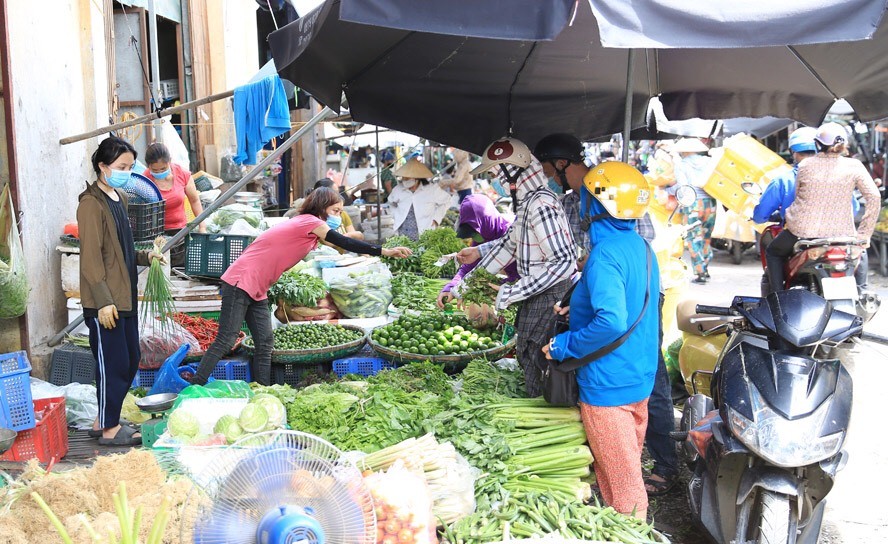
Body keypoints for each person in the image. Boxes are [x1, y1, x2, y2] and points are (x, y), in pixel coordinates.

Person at [535, 133, 677, 496]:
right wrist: (578, 301)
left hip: (608, 388)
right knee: (621, 473)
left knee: (626, 489)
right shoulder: (640, 247)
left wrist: (564, 344)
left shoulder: (604, 254)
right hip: (638, 379)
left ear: (593, 205)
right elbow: (633, 304)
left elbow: (612, 321)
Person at [192, 187, 412, 385]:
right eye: (335, 211)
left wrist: (366, 246)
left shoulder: (308, 227)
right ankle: (195, 385)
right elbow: (344, 241)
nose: (338, 216)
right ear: (322, 208)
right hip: (241, 281)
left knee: (265, 342)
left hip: (258, 287)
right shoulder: (310, 222)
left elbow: (340, 241)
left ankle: (262, 389)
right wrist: (384, 251)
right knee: (226, 339)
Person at [453, 137, 577, 397]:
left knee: (536, 360)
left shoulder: (541, 205)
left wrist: (510, 292)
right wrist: (467, 284)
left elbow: (564, 263)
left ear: (515, 172)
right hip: (538, 294)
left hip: (550, 298)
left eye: (497, 172)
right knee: (529, 358)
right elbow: (509, 246)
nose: (495, 180)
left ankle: (541, 415)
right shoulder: (528, 203)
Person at [78, 136, 163, 446]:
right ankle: (109, 429)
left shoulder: (120, 198)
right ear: (103, 166)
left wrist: (145, 256)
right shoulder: (90, 205)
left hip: (124, 297)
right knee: (111, 364)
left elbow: (121, 250)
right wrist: (102, 302)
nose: (127, 172)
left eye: (129, 167)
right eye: (121, 167)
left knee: (129, 360)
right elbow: (90, 258)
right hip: (106, 302)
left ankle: (105, 417)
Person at [765, 122, 881, 292]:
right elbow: (874, 196)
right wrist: (864, 234)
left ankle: (777, 295)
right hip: (842, 233)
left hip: (802, 232)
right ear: (844, 145)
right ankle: (862, 293)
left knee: (773, 253)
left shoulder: (805, 165)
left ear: (818, 144)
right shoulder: (854, 166)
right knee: (860, 252)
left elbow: (798, 195)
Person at [437, 195, 519, 308]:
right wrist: (452, 286)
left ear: (486, 221)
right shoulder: (482, 237)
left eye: (475, 232)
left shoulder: (513, 231)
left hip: (522, 291)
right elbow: (468, 267)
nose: (474, 238)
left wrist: (498, 287)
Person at [142, 142, 205, 266]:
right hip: (155, 236)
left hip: (180, 233)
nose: (159, 172)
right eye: (155, 170)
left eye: (163, 169)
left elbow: (195, 201)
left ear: (169, 161)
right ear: (148, 166)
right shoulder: (145, 179)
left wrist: (202, 227)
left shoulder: (182, 174)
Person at [670, 138, 716, 284]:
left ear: (684, 151)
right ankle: (705, 267)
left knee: (693, 237)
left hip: (693, 203)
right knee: (706, 236)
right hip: (710, 203)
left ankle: (700, 273)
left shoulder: (681, 165)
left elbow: (683, 187)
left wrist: (668, 191)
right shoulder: (709, 162)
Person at [388, 158, 452, 240]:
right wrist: (395, 215)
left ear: (417, 178)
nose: (404, 181)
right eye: (403, 178)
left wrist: (436, 218)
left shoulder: (432, 189)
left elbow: (447, 201)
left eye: (407, 178)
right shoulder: (398, 189)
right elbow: (390, 202)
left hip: (424, 232)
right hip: (402, 233)